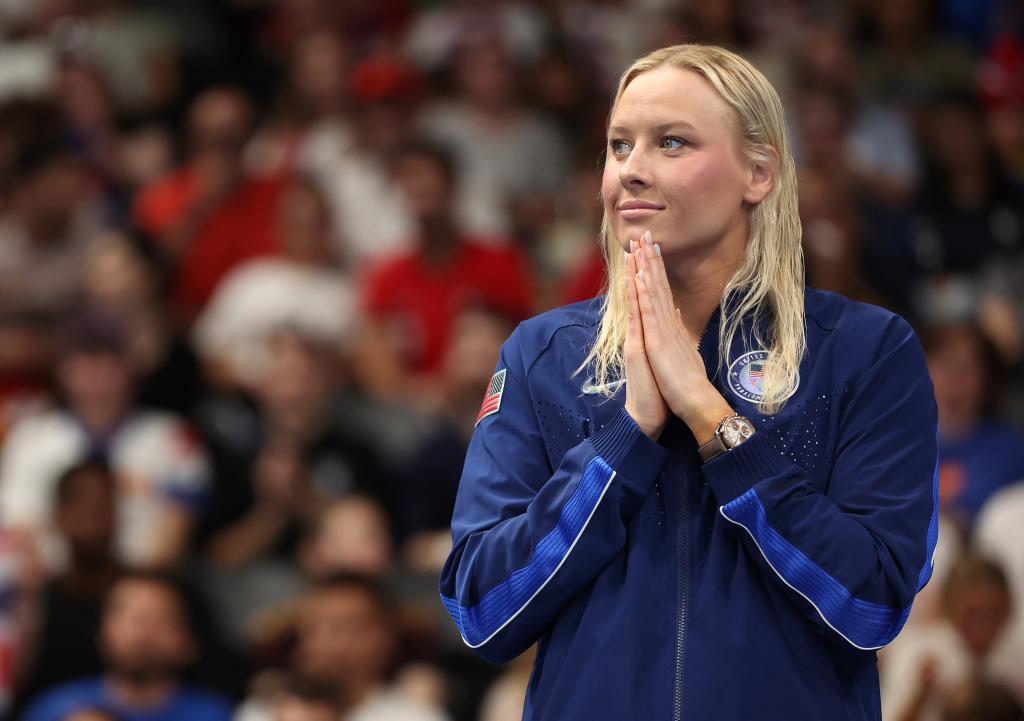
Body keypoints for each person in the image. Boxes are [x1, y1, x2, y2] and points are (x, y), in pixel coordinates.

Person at [439, 44, 939, 720]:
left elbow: (874, 603)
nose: (631, 171)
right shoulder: (545, 355)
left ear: (757, 173)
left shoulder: (865, 350)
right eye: (619, 146)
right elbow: (481, 608)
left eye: (671, 142)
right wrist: (625, 438)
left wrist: (715, 422)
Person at [20, 571, 233, 721]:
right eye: (130, 617)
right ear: (102, 631)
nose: (142, 634)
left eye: (160, 619)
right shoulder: (54, 707)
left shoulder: (214, 714)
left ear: (188, 641)